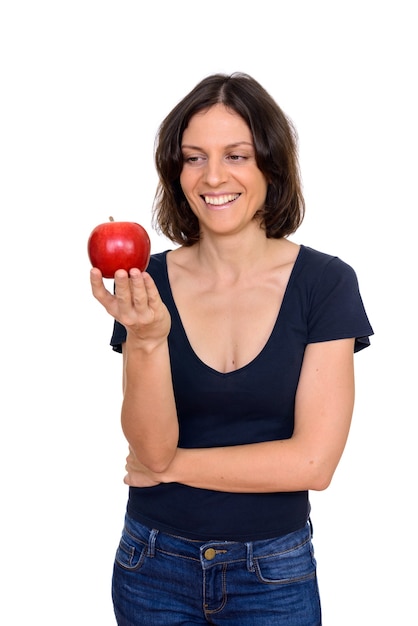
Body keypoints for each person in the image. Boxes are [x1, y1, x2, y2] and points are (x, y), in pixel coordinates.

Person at [90, 72, 373, 626]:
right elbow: (150, 447)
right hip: (151, 565)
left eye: (236, 155)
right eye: (194, 158)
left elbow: (313, 463)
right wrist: (146, 342)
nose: (213, 176)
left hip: (273, 572)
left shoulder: (325, 283)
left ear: (270, 163)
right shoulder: (144, 282)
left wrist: (171, 469)